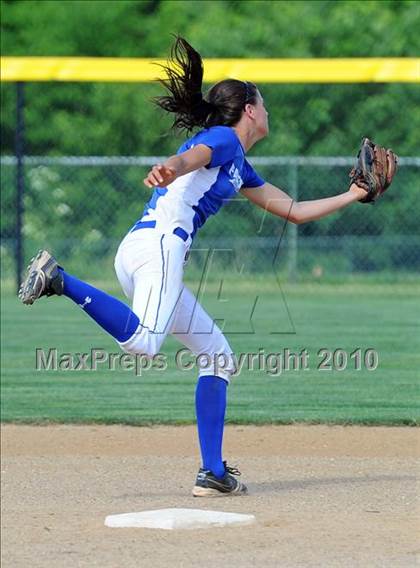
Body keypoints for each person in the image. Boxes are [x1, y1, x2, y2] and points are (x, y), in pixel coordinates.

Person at [19, 36, 369, 497]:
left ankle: (212, 472)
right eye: (261, 103)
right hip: (158, 247)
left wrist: (354, 194)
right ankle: (60, 279)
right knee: (144, 342)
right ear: (248, 109)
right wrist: (170, 167)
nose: (267, 110)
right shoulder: (223, 139)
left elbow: (295, 210)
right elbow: (192, 156)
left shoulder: (240, 165)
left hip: (149, 254)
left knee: (219, 357)